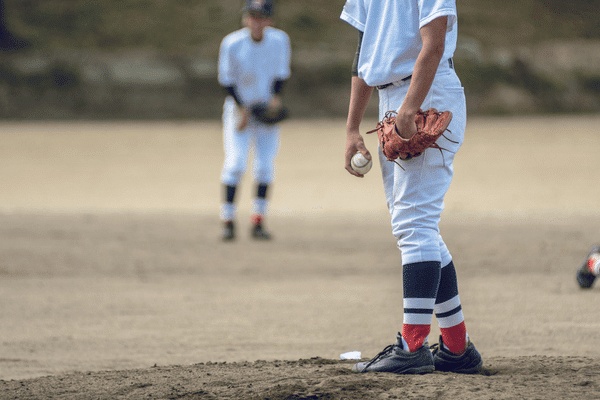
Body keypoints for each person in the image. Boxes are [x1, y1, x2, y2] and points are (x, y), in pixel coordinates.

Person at [340, 0, 483, 374]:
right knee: (418, 227)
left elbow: (433, 42)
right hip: (393, 98)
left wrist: (408, 109)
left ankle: (412, 345)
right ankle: (456, 349)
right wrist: (353, 127)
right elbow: (363, 52)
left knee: (414, 224)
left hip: (427, 94)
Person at [217, 0, 291, 241]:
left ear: (269, 19)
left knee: (265, 166)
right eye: (252, 15)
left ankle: (258, 221)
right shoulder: (232, 43)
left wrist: (275, 100)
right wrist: (243, 111)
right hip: (239, 111)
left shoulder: (279, 40)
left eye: (261, 16)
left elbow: (281, 74)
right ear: (245, 18)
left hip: (265, 110)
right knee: (236, 164)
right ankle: (228, 220)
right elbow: (226, 80)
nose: (256, 21)